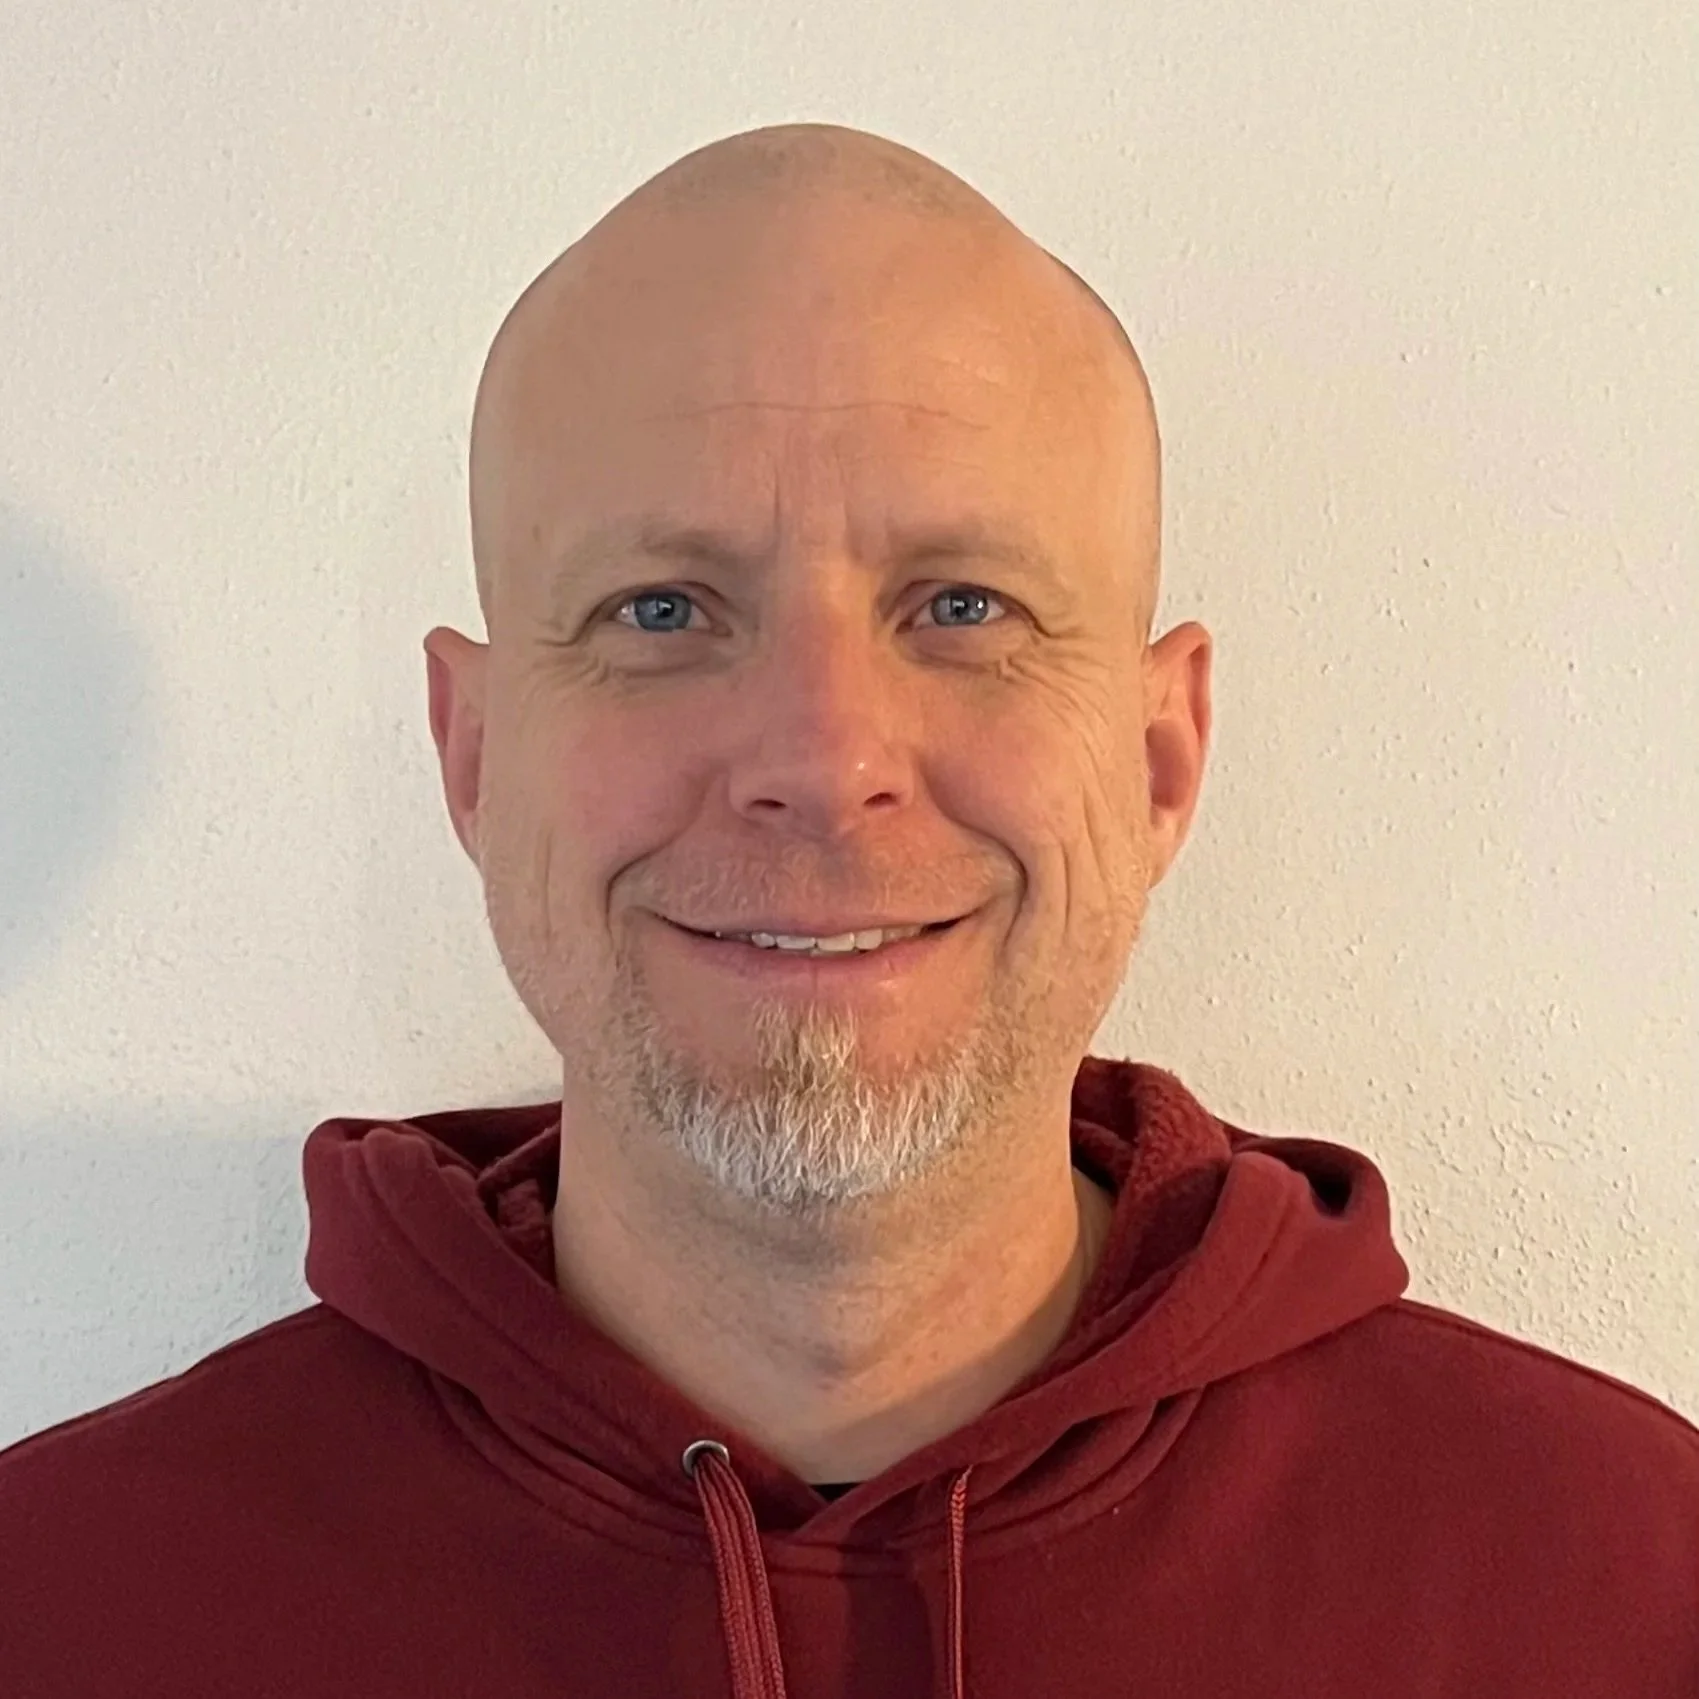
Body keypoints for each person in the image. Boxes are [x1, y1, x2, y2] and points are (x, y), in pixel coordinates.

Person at [1, 121, 1693, 1698]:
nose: (820, 757)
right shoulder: (65, 1604)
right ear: (473, 752)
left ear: (1162, 755)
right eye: (660, 607)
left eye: (961, 604)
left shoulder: (1626, 1589)